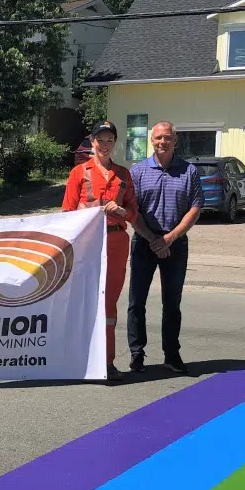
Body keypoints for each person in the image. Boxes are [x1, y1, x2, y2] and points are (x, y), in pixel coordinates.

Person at [61, 120, 137, 383]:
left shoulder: (125, 175)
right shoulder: (78, 173)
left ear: (114, 143)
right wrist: (84, 212)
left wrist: (121, 212)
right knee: (84, 300)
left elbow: (133, 212)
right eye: (100, 140)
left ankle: (107, 361)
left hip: (116, 242)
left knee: (109, 303)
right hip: (87, 244)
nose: (104, 145)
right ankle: (81, 359)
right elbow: (66, 213)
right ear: (91, 142)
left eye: (109, 140)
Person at [127, 121, 203, 375]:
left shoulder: (189, 171)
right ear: (152, 140)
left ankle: (172, 354)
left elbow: (195, 208)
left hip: (176, 244)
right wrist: (151, 238)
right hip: (143, 242)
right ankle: (137, 355)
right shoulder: (137, 172)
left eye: (167, 138)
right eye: (159, 137)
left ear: (175, 140)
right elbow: (132, 210)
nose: (163, 142)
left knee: (172, 303)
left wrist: (169, 238)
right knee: (137, 302)